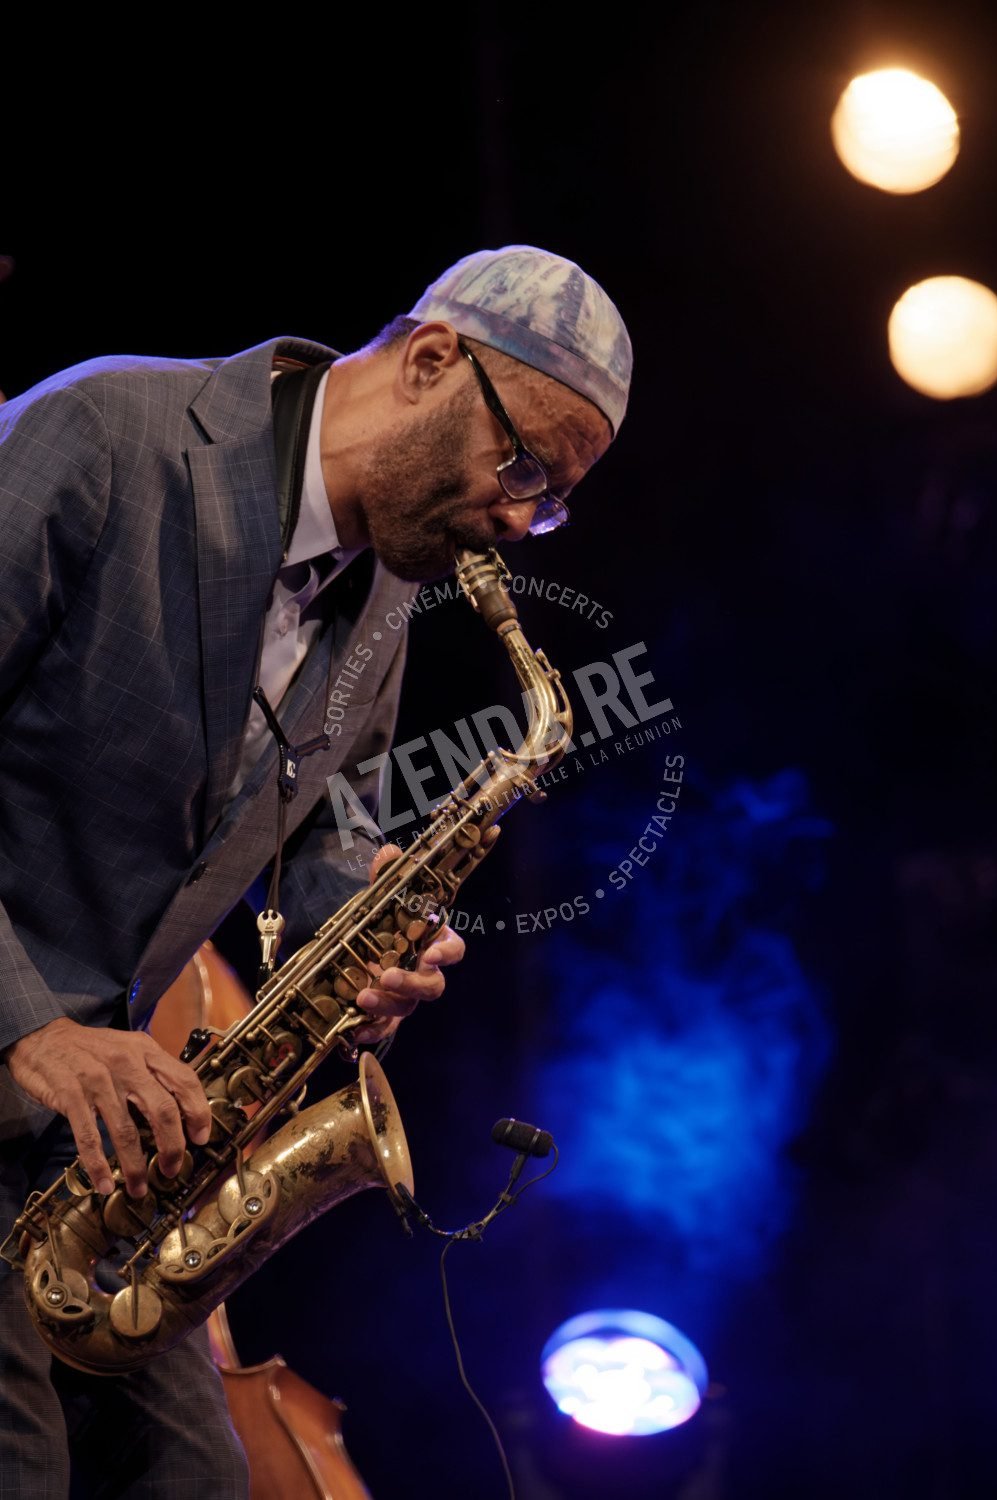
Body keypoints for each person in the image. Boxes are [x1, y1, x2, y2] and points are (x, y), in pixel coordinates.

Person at [0, 244, 632, 1496]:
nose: (519, 522)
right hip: (32, 1061)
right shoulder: (105, 436)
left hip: (92, 1151)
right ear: (431, 361)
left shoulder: (387, 584)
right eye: (520, 468)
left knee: (201, 1482)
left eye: (550, 503)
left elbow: (323, 833)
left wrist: (367, 938)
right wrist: (33, 1031)